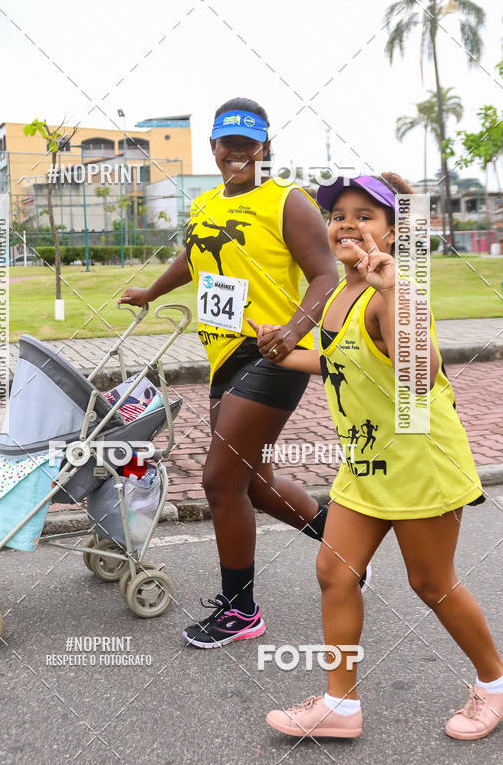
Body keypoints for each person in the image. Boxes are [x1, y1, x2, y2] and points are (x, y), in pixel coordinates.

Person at [249, 173, 502, 742]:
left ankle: (494, 684)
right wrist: (284, 352)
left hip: (421, 461)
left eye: (366, 215)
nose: (348, 223)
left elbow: (420, 372)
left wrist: (392, 291)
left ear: (391, 231)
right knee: (334, 571)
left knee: (431, 583)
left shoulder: (393, 294)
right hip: (367, 461)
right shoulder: (341, 294)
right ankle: (340, 706)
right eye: (339, 214)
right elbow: (344, 363)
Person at [119, 97, 340, 647]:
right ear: (214, 147)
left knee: (219, 481)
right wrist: (151, 291)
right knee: (256, 487)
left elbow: (324, 274)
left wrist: (292, 330)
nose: (236, 152)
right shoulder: (207, 203)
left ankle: (240, 611)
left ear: (265, 146)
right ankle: (346, 539)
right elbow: (193, 257)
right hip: (225, 360)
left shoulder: (288, 201)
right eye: (227, 142)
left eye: (248, 142)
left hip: (273, 356)